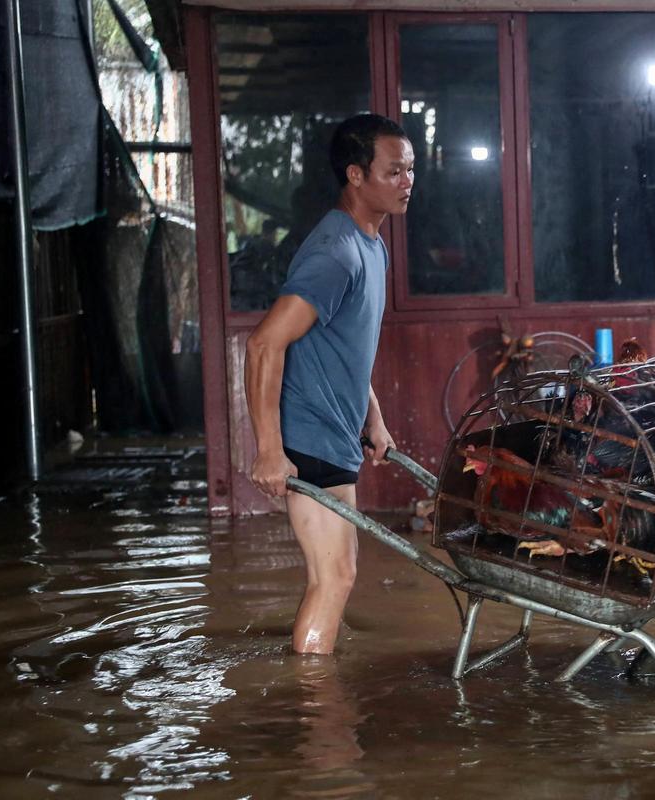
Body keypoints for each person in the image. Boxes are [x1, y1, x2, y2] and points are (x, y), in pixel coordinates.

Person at [245, 113, 414, 655]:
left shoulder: (371, 243)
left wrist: (375, 418)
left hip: (336, 433)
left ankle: (316, 689)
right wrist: (270, 451)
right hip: (309, 438)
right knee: (333, 577)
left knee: (340, 572)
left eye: (410, 170)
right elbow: (265, 344)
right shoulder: (335, 252)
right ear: (356, 175)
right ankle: (312, 708)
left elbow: (342, 348)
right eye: (393, 171)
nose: (406, 181)